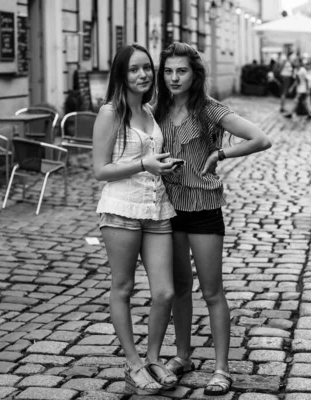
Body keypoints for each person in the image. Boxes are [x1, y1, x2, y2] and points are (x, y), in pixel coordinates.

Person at [154, 42, 272, 396]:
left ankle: (221, 369)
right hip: (170, 207)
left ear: (195, 74)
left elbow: (260, 139)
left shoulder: (208, 109)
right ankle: (183, 355)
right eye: (169, 71)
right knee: (179, 289)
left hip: (204, 208)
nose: (174, 78)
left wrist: (221, 152)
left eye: (182, 71)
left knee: (212, 290)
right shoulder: (156, 109)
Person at [92, 43, 180, 395]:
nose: (143, 74)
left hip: (156, 209)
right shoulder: (110, 113)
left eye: (147, 68)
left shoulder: (148, 111)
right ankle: (132, 364)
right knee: (123, 288)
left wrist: (162, 164)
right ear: (121, 75)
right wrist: (144, 163)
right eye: (134, 69)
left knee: (165, 291)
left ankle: (153, 357)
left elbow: (149, 158)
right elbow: (101, 170)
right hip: (121, 210)